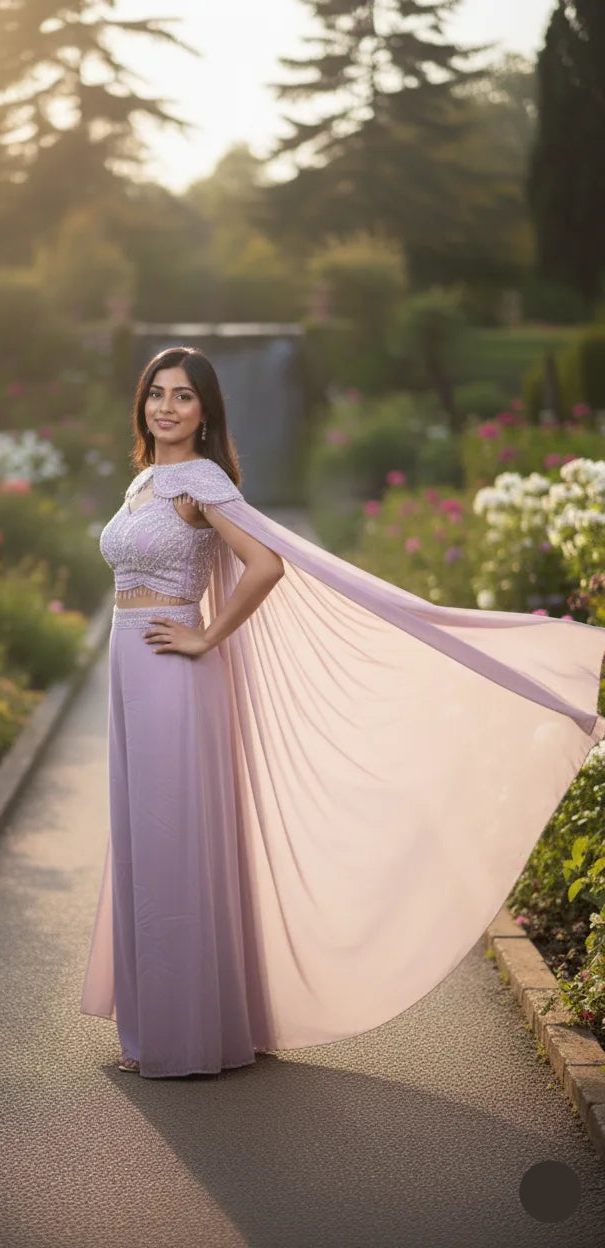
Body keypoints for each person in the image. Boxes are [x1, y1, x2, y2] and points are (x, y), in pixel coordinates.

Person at [80, 345, 605, 1080]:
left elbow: (267, 565)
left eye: (183, 397)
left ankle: (184, 1034)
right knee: (147, 834)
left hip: (172, 671)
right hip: (131, 669)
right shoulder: (144, 481)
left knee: (172, 838)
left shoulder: (198, 483)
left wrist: (206, 635)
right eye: (156, 394)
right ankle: (164, 1022)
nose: (166, 407)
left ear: (205, 414)